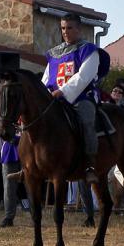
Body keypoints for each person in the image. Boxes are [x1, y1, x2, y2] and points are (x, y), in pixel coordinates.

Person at [41, 12, 109, 184]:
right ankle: (32, 164)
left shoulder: (88, 50)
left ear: (79, 29)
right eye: (63, 28)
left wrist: (62, 92)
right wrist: (43, 95)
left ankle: (90, 164)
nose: (65, 31)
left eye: (69, 28)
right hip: (55, 99)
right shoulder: (55, 54)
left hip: (81, 98)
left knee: (86, 120)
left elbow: (84, 76)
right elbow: (46, 79)